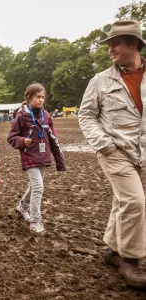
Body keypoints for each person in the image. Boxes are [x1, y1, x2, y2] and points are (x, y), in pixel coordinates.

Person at [78, 20, 146, 288]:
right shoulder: (100, 81)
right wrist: (103, 144)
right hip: (113, 150)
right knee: (135, 201)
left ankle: (114, 249)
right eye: (108, 45)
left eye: (114, 44)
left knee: (124, 199)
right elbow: (86, 115)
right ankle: (131, 260)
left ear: (133, 43)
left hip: (140, 151)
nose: (110, 50)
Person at [7, 83, 66, 233]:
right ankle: (35, 221)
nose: (41, 100)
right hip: (29, 155)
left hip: (43, 155)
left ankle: (22, 206)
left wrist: (60, 161)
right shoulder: (21, 116)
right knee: (38, 187)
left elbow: (53, 139)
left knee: (34, 186)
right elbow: (12, 137)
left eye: (43, 97)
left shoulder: (46, 116)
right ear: (29, 98)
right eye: (38, 97)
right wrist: (22, 141)